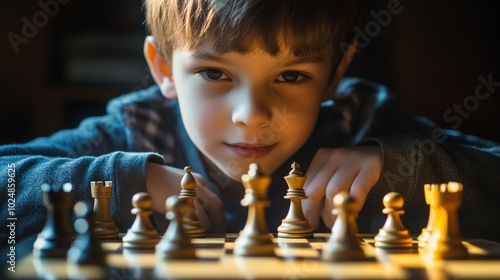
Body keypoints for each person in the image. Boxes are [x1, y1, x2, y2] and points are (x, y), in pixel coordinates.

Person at [1, 0, 499, 244]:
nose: (252, 114)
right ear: (163, 70)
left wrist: (403, 169)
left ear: (335, 76)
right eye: (215, 72)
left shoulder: (363, 120)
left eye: (292, 75)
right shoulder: (136, 130)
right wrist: (124, 179)